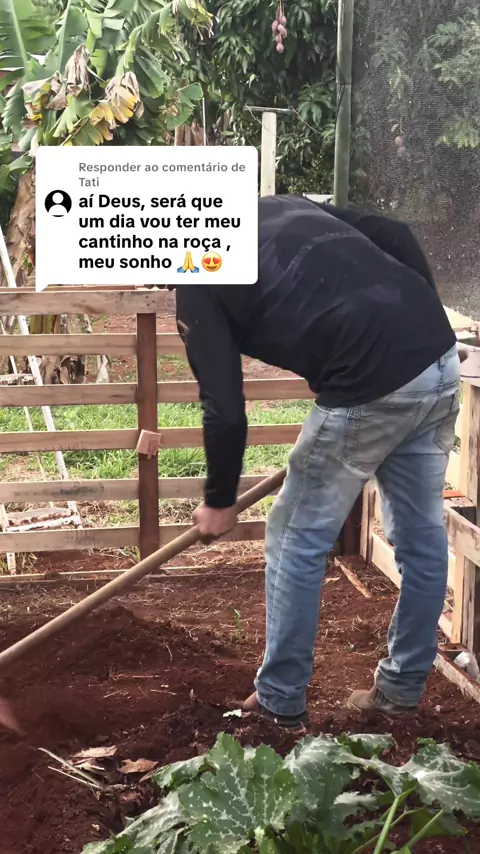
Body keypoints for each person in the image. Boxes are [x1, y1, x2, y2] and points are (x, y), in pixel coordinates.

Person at [176, 194, 461, 727]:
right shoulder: (276, 205)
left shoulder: (197, 282)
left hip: (369, 380)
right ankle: (401, 692)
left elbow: (225, 410)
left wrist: (218, 500)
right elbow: (395, 232)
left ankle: (279, 703)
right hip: (439, 357)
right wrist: (424, 324)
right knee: (421, 537)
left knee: (295, 538)